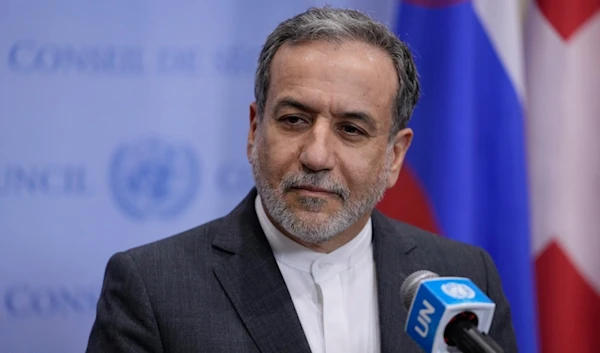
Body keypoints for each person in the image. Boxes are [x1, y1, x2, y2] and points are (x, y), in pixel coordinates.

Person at [85, 6, 518, 353]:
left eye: (351, 129)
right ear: (255, 130)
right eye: (294, 120)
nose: (315, 155)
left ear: (394, 156)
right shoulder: (152, 288)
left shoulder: (462, 275)